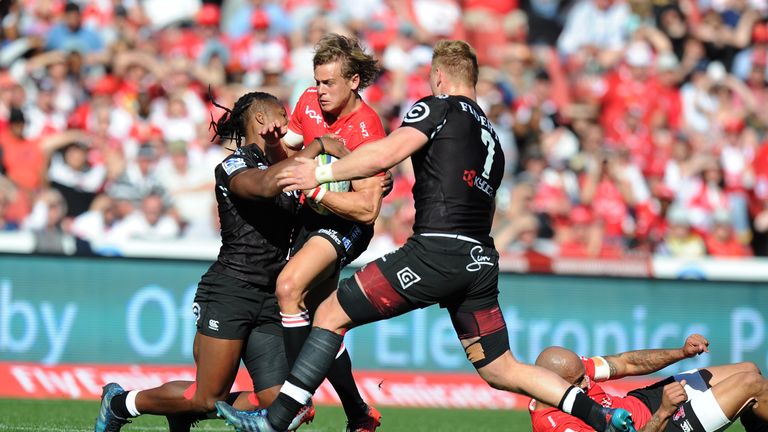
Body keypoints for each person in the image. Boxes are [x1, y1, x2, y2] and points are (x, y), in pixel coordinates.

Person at [215, 40, 635, 432]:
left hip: (435, 252)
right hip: (480, 261)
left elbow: (385, 154)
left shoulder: (439, 107)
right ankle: (601, 416)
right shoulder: (492, 135)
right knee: (501, 369)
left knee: (328, 314)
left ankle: (278, 418)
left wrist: (320, 173)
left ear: (438, 78)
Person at [93, 91, 347, 432]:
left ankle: (178, 410)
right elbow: (264, 185)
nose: (289, 124)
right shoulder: (234, 164)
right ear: (262, 120)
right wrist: (315, 149)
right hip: (231, 289)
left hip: (272, 297)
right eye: (283, 116)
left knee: (283, 403)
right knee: (207, 398)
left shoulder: (284, 166)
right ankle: (121, 403)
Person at [273, 33, 387, 431]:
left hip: (346, 225)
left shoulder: (368, 127)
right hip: (311, 219)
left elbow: (368, 208)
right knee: (324, 321)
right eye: (317, 81)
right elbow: (289, 150)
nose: (319, 91)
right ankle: (359, 414)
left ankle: (295, 400)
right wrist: (274, 142)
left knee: (288, 288)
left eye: (329, 83)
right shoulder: (307, 101)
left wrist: (317, 187)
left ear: (354, 81)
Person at [529, 334, 768, 432]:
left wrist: (681, 353)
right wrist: (663, 412)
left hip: (645, 402)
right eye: (580, 380)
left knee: (749, 368)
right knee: (752, 384)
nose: (587, 381)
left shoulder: (572, 371)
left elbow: (626, 363)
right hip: (659, 425)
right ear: (555, 382)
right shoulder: (557, 426)